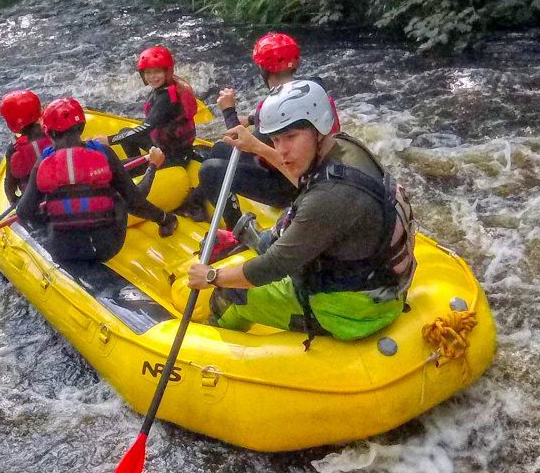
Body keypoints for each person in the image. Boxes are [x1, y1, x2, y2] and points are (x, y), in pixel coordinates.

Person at [186, 77, 416, 343]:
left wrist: (212, 276)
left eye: (291, 137)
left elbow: (272, 267)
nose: (282, 150)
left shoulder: (330, 197)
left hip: (351, 312)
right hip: (378, 282)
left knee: (231, 294)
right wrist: (255, 146)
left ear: (318, 129)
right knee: (270, 238)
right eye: (275, 139)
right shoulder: (345, 147)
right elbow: (303, 177)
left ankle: (214, 344)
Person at [17, 97, 178, 265]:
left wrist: (53, 215)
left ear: (49, 133)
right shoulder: (103, 152)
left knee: (54, 203)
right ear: (82, 127)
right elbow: (136, 200)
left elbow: (24, 212)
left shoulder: (43, 161)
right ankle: (167, 222)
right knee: (117, 196)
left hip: (61, 251)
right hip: (105, 249)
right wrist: (152, 166)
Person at [184, 31, 307, 223]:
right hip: (297, 172)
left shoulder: (272, 106)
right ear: (296, 63)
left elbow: (239, 141)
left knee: (209, 170)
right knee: (219, 148)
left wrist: (228, 111)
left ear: (263, 69)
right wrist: (250, 119)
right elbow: (287, 117)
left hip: (288, 186)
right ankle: (198, 199)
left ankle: (237, 229)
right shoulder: (307, 90)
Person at [130, 45, 200, 170]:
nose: (152, 77)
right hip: (165, 146)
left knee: (125, 148)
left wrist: (109, 140)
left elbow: (145, 128)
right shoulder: (168, 86)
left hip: (172, 157)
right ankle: (140, 167)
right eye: (148, 72)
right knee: (125, 133)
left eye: (157, 71)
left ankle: (141, 170)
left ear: (167, 72)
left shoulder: (167, 98)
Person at [0, 89, 48, 202]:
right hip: (57, 195)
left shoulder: (14, 148)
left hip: (32, 202)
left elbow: (10, 185)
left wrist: (15, 201)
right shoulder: (54, 134)